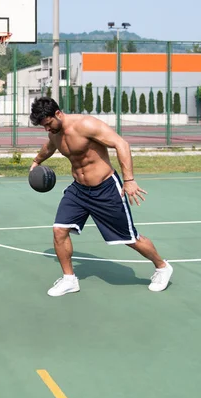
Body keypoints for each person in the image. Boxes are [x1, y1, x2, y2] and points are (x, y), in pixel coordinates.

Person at [29, 96, 173, 297]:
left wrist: (129, 180)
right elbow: (49, 147)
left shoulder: (86, 125)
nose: (47, 129)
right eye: (43, 126)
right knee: (59, 230)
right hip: (78, 190)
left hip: (105, 189)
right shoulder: (55, 133)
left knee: (130, 238)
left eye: (48, 124)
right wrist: (36, 162)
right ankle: (69, 279)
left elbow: (121, 144)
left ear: (58, 114)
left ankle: (162, 267)